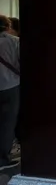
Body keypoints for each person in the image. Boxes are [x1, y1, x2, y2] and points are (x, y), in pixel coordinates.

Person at [0, 15, 19, 171]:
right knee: (7, 123)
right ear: (8, 26)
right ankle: (2, 160)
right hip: (9, 86)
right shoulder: (13, 42)